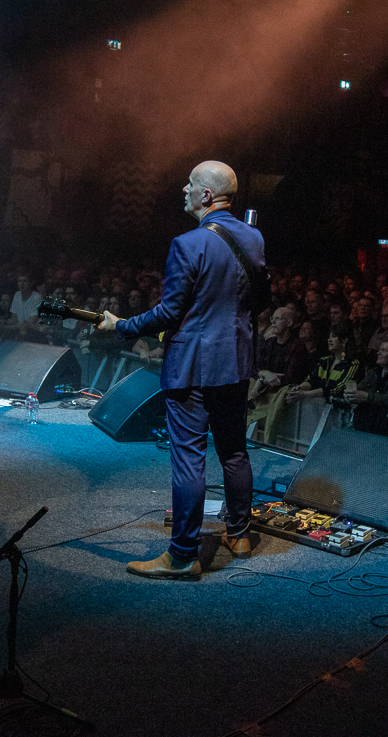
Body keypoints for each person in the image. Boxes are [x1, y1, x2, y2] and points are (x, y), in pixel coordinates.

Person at [98, 161, 264, 580]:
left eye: (190, 184)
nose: (183, 189)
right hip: (235, 361)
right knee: (234, 450)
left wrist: (122, 326)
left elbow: (171, 311)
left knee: (189, 459)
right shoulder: (255, 237)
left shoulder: (187, 244)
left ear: (207, 195)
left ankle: (182, 555)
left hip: (193, 365)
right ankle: (240, 535)